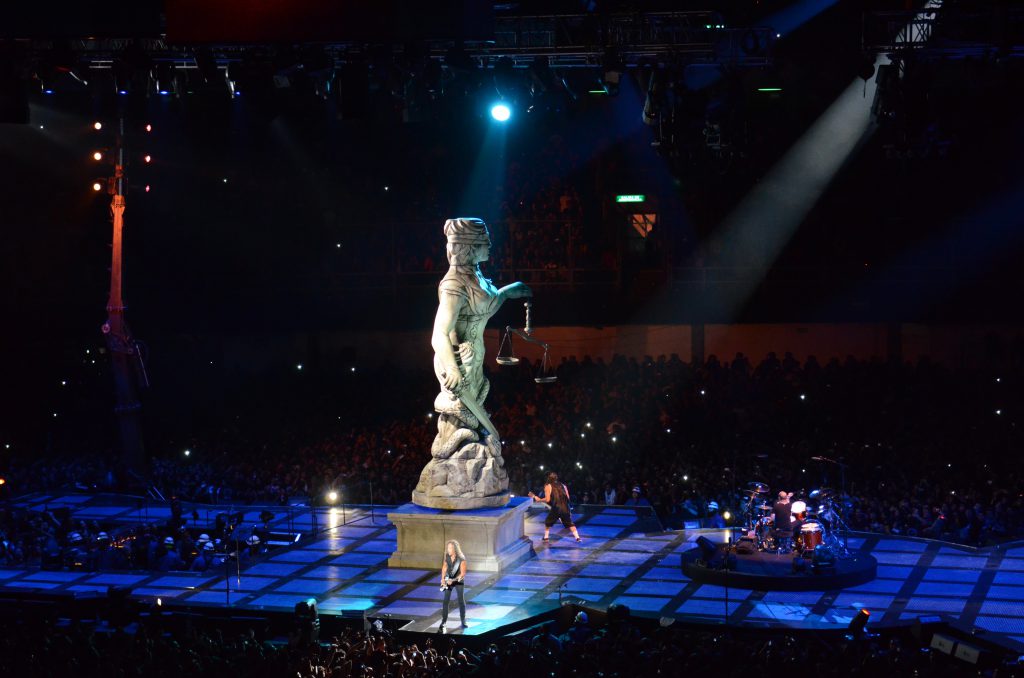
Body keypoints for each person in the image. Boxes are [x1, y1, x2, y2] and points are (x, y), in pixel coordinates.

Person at [529, 472, 581, 542]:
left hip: (556, 508)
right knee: (570, 523)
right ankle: (578, 538)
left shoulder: (548, 486)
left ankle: (546, 537)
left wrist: (538, 499)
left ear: (548, 478)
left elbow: (547, 500)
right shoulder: (563, 485)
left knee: (548, 522)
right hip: (565, 507)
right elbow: (568, 498)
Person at [439, 540, 467, 632]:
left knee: (461, 600)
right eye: (448, 548)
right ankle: (444, 622)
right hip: (449, 580)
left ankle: (463, 621)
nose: (448, 550)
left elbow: (463, 574)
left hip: (458, 580)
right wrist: (443, 579)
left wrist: (453, 580)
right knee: (445, 601)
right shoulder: (447, 556)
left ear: (455, 549)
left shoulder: (461, 558)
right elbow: (444, 567)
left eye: (450, 548)